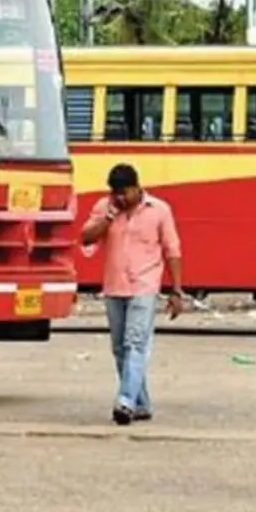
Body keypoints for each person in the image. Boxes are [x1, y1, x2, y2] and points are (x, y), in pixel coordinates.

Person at [81, 163, 184, 425]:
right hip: (114, 286)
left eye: (125, 193)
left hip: (145, 286)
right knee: (119, 348)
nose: (121, 198)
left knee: (135, 343)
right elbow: (86, 238)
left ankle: (125, 400)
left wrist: (176, 290)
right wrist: (108, 216)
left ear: (137, 188)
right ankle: (141, 403)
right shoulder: (105, 207)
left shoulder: (159, 210)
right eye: (116, 193)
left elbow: (172, 250)